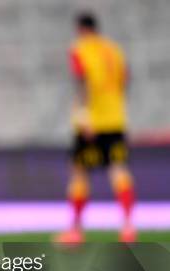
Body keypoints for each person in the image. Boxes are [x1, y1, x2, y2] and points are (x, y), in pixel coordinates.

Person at [56, 12, 136, 244]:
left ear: (80, 29)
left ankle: (75, 231)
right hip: (115, 119)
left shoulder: (80, 49)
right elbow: (125, 79)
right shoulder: (114, 50)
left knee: (79, 172)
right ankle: (128, 227)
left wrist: (83, 115)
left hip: (91, 121)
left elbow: (81, 81)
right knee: (119, 170)